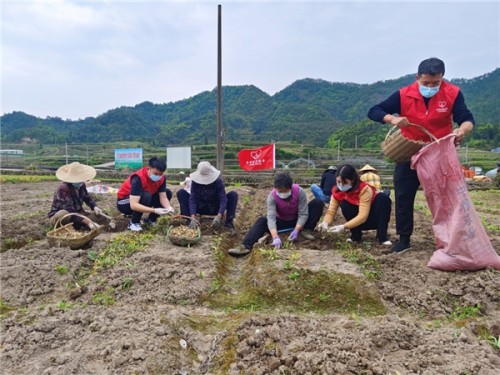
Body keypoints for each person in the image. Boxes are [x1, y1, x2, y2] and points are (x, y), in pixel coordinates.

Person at [367, 57, 474, 253]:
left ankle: (449, 238)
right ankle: (404, 239)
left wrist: (462, 130)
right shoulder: (403, 95)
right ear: (417, 77)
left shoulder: (453, 93)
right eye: (426, 83)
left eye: (436, 83)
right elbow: (374, 111)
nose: (431, 87)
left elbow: (466, 118)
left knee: (444, 197)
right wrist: (393, 118)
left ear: (442, 78)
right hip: (409, 153)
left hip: (438, 154)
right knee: (403, 197)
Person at [228, 172, 324, 255]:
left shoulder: (299, 192)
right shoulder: (272, 196)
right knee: (262, 220)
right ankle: (245, 246)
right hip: (281, 221)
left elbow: (303, 213)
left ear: (290, 187)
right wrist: (275, 237)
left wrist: (296, 229)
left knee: (317, 203)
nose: (283, 193)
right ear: (275, 188)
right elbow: (271, 217)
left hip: (298, 220)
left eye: (285, 191)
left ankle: (306, 229)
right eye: (280, 191)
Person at [316, 164, 392, 245]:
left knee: (383, 198)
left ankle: (382, 237)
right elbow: (331, 211)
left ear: (353, 180)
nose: (341, 185)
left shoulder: (364, 189)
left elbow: (363, 216)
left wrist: (343, 227)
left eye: (345, 182)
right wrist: (325, 222)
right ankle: (356, 235)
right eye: (338, 181)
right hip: (355, 221)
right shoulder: (336, 191)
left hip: (372, 218)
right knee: (345, 204)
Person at [176, 161, 238, 233]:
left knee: (233, 195)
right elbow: (193, 199)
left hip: (215, 207)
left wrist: (219, 215)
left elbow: (223, 199)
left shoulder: (218, 182)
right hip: (200, 207)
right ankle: (189, 221)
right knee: (181, 193)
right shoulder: (195, 182)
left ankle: (229, 223)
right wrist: (192, 216)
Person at [116, 156, 174, 232]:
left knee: (167, 192)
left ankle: (150, 220)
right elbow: (133, 205)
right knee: (146, 195)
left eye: (161, 174)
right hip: (124, 203)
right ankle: (134, 222)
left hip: (142, 199)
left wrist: (168, 207)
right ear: (149, 168)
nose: (158, 176)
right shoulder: (139, 178)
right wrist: (155, 210)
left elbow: (163, 197)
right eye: (155, 173)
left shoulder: (162, 178)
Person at [48, 162, 104, 230]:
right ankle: (77, 225)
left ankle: (80, 225)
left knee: (99, 216)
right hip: (64, 217)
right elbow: (69, 212)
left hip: (78, 214)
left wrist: (94, 206)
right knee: (64, 214)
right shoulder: (63, 189)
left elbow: (87, 198)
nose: (80, 181)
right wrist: (88, 222)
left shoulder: (81, 185)